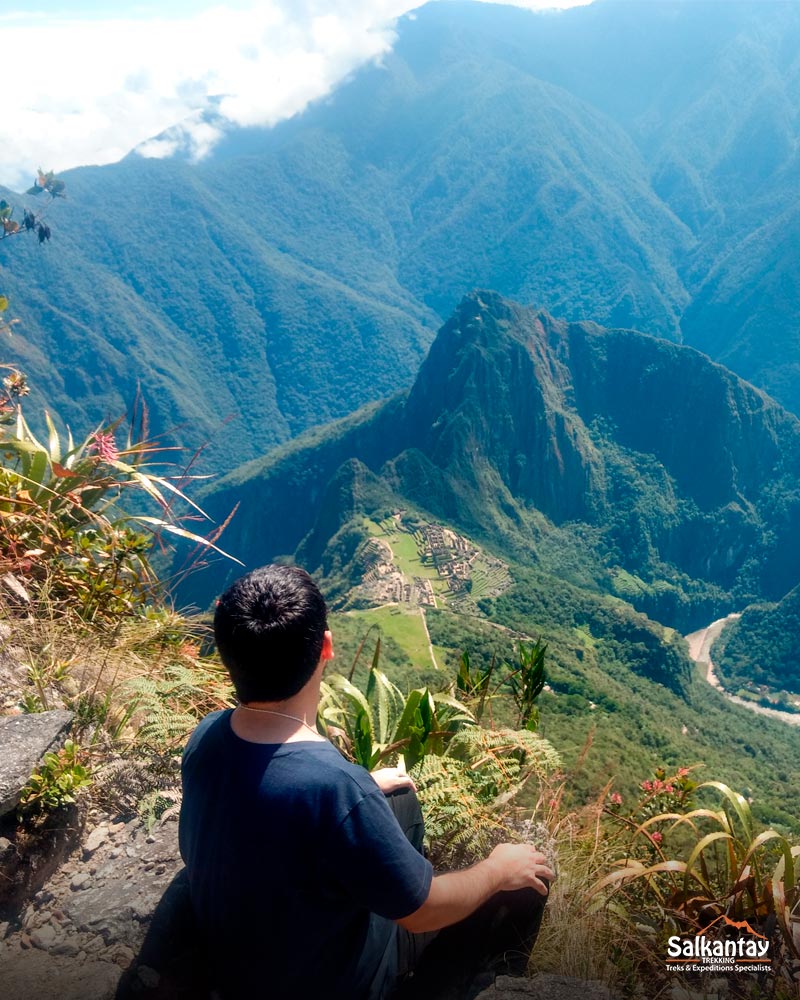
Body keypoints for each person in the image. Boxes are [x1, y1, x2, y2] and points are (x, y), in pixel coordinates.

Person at [179, 564, 554, 1000]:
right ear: (326, 647)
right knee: (525, 881)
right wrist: (497, 869)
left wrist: (363, 794)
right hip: (330, 983)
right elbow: (423, 911)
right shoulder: (335, 787)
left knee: (402, 800)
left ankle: (396, 889)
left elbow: (262, 805)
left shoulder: (206, 735)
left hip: (245, 956)